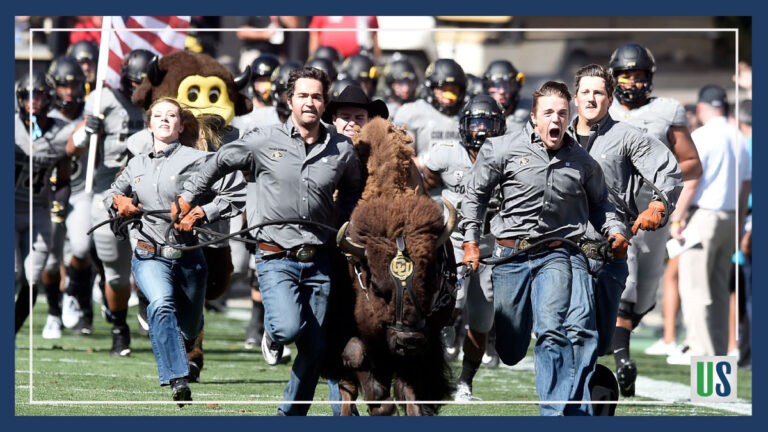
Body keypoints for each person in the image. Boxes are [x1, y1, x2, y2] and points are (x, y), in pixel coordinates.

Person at [175, 67, 363, 415]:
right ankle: (273, 332)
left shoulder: (342, 149)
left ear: (325, 103)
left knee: (316, 348)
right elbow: (219, 161)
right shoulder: (263, 139)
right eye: (303, 96)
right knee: (288, 326)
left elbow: (353, 188)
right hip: (276, 256)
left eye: (317, 96)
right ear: (289, 100)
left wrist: (346, 219)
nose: (310, 102)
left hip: (320, 258)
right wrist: (189, 196)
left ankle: (288, 414)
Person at [460, 81, 629, 416]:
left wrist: (615, 230)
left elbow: (602, 205)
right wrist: (470, 240)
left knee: (556, 328)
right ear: (534, 117)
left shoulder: (582, 161)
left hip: (559, 253)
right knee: (510, 348)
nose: (556, 119)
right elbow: (475, 196)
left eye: (562, 113)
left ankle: (558, 412)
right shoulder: (501, 149)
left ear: (569, 117)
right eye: (549, 112)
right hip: (511, 257)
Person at [105, 97, 245, 404]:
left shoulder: (199, 159)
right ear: (150, 124)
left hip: (188, 256)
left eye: (172, 115)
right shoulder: (136, 164)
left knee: (189, 326)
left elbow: (235, 193)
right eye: (159, 115)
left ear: (181, 125)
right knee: (161, 304)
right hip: (147, 251)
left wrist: (201, 213)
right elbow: (112, 195)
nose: (165, 119)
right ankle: (178, 379)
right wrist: (120, 203)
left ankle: (190, 339)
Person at [568, 64, 683, 398]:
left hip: (610, 247)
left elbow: (669, 170)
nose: (591, 98)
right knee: (569, 326)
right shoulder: (554, 131)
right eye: (585, 92)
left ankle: (594, 387)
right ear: (576, 98)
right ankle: (566, 398)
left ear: (609, 98)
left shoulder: (630, 136)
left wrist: (658, 206)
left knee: (602, 337)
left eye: (599, 92)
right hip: (562, 249)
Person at [606, 43, 702, 393]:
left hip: (655, 214)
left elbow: (692, 163)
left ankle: (617, 346)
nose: (631, 83)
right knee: (624, 284)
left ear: (650, 78)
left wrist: (660, 181)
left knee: (644, 296)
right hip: (613, 213)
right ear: (614, 78)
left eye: (638, 75)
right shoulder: (602, 108)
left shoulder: (666, 111)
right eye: (625, 76)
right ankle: (620, 359)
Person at [66, 49, 154, 357]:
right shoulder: (102, 100)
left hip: (151, 199)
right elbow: (71, 149)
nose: (137, 89)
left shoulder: (163, 105)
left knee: (158, 264)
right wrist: (83, 134)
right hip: (109, 195)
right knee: (115, 275)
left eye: (143, 82)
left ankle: (151, 309)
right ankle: (119, 327)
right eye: (133, 82)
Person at [421, 94, 505, 401]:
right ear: (463, 126)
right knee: (450, 304)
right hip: (452, 243)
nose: (481, 131)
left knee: (482, 321)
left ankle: (465, 383)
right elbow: (420, 187)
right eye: (475, 123)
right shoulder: (446, 155)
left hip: (489, 248)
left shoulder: (507, 156)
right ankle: (435, 363)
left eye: (487, 123)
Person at [670, 85, 750, 363]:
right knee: (717, 293)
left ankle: (704, 363)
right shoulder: (738, 137)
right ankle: (718, 363)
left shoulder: (702, 136)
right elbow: (745, 187)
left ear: (701, 108)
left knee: (695, 292)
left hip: (703, 216)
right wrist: (739, 226)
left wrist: (677, 218)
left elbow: (692, 182)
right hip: (730, 218)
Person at [14, 70, 73, 336]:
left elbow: (62, 177)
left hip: (38, 209)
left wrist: (59, 203)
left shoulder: (59, 132)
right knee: (12, 272)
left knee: (31, 276)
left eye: (37, 95)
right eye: (26, 95)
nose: (32, 101)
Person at [41, 56, 94, 337]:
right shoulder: (43, 115)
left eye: (74, 86)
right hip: (48, 194)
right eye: (63, 86)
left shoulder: (91, 112)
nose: (69, 92)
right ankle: (53, 312)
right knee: (49, 261)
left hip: (80, 190)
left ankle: (75, 296)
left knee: (82, 248)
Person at [393, 58, 466, 173]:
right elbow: (402, 162)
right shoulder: (411, 112)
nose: (448, 96)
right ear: (431, 88)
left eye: (453, 90)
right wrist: (426, 161)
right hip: (425, 184)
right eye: (443, 89)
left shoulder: (466, 113)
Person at [322, 84, 389, 138]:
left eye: (359, 118)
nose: (352, 123)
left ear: (369, 121)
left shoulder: (379, 153)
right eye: (346, 117)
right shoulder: (325, 152)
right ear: (334, 119)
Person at [482, 59, 530, 133]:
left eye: (506, 86)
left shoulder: (531, 109)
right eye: (495, 86)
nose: (502, 91)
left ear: (516, 86)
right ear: (487, 87)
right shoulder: (480, 111)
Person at [308, 16, 381, 60]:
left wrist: (377, 58)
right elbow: (315, 33)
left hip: (358, 59)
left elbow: (374, 33)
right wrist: (313, 57)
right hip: (330, 58)